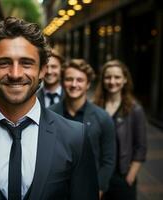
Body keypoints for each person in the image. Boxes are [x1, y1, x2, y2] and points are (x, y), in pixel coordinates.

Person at [0, 16, 98, 200]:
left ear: (43, 70)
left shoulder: (75, 137)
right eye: (4, 63)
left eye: (26, 63)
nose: (15, 74)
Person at [49, 59, 116, 199]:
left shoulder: (102, 117)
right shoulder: (48, 114)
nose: (74, 84)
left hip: (89, 188)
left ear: (88, 84)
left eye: (79, 80)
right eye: (69, 79)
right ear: (62, 82)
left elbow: (109, 159)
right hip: (55, 189)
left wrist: (100, 188)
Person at [94, 60, 147, 200]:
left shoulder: (135, 109)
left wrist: (131, 175)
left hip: (122, 176)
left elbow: (141, 146)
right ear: (103, 80)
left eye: (117, 77)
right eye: (108, 77)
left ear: (125, 80)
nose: (112, 81)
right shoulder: (95, 107)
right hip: (98, 175)